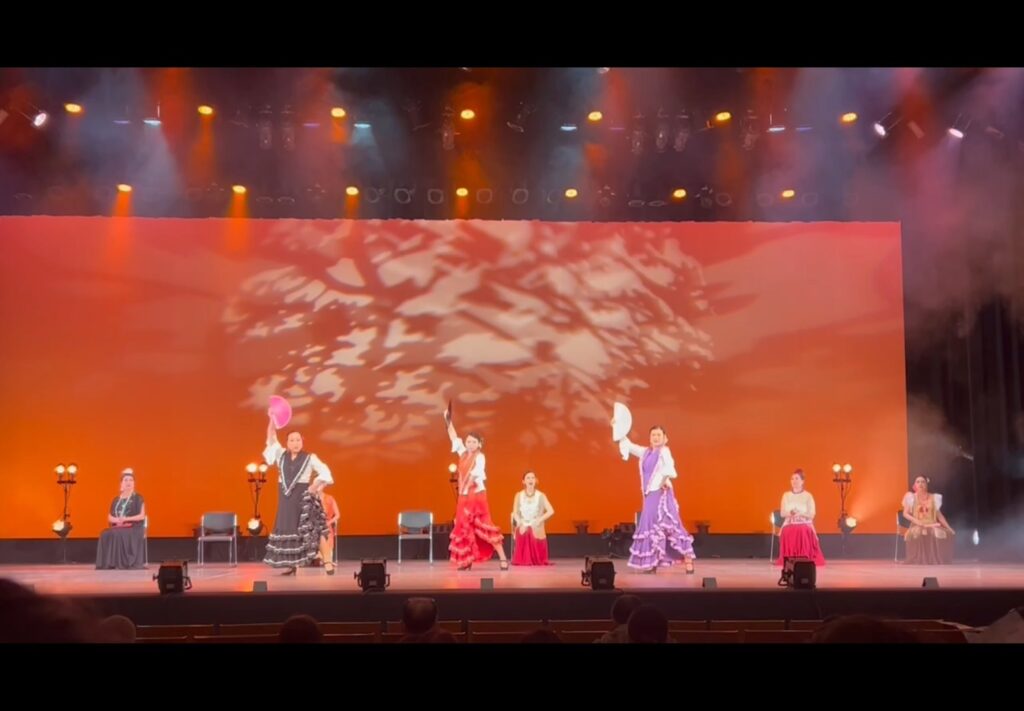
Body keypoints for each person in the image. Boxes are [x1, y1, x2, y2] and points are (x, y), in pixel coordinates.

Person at [613, 421, 695, 573]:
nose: (656, 437)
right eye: (653, 435)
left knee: (671, 525)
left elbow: (670, 469)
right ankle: (653, 562)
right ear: (650, 437)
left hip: (662, 495)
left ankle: (688, 559)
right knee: (651, 527)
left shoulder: (664, 451)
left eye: (658, 435)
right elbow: (629, 445)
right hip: (650, 494)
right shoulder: (646, 452)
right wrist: (617, 426)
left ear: (664, 437)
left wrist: (663, 481)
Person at [263, 412, 334, 574]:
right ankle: (291, 565)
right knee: (288, 530)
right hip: (286, 499)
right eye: (292, 440)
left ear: (302, 441)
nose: (295, 443)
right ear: (287, 443)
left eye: (298, 440)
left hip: (303, 499)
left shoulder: (310, 457)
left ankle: (328, 562)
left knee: (314, 529)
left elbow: (326, 473)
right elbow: (271, 436)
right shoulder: (281, 455)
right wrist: (272, 419)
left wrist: (315, 485)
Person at [446, 420, 509, 571]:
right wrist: (448, 422)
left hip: (476, 495)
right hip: (464, 497)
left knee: (485, 526)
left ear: (479, 444)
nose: (470, 444)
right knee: (464, 527)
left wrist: (467, 485)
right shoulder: (462, 454)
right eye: (468, 441)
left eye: (474, 442)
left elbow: (476, 473)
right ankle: (466, 560)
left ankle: (503, 558)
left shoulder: (480, 457)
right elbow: (453, 436)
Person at [95, 469, 147, 570]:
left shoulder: (138, 498)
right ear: (121, 483)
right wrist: (118, 521)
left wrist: (126, 519)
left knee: (117, 533)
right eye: (126, 480)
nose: (128, 482)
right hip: (119, 525)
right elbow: (109, 517)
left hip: (134, 527)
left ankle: (122, 562)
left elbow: (141, 516)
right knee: (105, 533)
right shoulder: (116, 499)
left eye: (131, 480)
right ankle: (108, 563)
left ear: (134, 483)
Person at [775, 469, 826, 566]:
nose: (794, 481)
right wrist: (791, 513)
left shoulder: (808, 496)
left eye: (797, 478)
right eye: (792, 479)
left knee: (802, 530)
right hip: (790, 522)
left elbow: (812, 514)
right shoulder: (786, 495)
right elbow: (782, 513)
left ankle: (803, 557)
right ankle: (789, 557)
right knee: (787, 530)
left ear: (802, 481)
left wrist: (801, 514)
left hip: (804, 522)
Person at [902, 476, 955, 564]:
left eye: (923, 482)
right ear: (915, 485)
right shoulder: (911, 497)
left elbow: (939, 516)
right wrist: (916, 521)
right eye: (918, 482)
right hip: (917, 524)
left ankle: (936, 559)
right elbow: (905, 513)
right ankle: (919, 559)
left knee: (938, 532)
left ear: (926, 484)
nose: (920, 484)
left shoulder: (934, 498)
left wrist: (949, 528)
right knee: (919, 532)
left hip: (932, 524)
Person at [511, 471, 554, 566]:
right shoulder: (519, 495)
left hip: (535, 523)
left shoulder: (541, 495)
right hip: (523, 523)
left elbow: (551, 511)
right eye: (528, 478)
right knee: (524, 530)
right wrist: (520, 523)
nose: (531, 480)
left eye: (532, 478)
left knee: (531, 530)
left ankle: (534, 558)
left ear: (535, 480)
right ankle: (524, 559)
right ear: (523, 481)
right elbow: (515, 513)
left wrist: (540, 520)